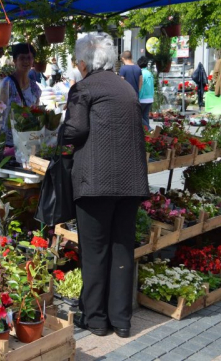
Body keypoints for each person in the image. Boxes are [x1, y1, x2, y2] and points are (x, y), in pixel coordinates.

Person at [64, 33, 149, 338]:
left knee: (95, 250)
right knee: (122, 247)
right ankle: (122, 320)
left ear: (84, 62)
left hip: (95, 182)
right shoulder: (126, 87)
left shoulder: (83, 88)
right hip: (131, 181)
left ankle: (97, 319)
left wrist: (56, 134)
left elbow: (75, 129)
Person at [0, 43, 42, 145]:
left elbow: (36, 114)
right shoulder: (7, 84)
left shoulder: (35, 89)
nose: (26, 61)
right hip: (9, 143)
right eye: (22, 58)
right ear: (15, 61)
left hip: (28, 141)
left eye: (29, 58)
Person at [137, 56, 154, 128]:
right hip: (150, 98)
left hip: (142, 98)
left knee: (137, 116)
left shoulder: (141, 73)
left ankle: (149, 129)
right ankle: (147, 134)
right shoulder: (150, 73)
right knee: (145, 116)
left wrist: (138, 97)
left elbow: (141, 87)